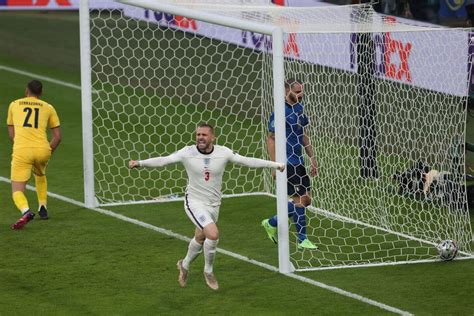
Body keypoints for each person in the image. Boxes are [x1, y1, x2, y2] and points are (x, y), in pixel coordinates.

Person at [129, 123, 284, 290]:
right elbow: (164, 161)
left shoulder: (223, 152)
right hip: (194, 202)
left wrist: (274, 165)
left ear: (212, 137)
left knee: (201, 237)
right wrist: (140, 162)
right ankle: (208, 271)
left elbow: (246, 161)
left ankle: (184, 264)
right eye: (198, 135)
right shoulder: (187, 152)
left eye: (204, 135)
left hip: (214, 204)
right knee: (213, 234)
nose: (200, 138)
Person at [261, 78, 318, 250]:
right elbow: (271, 138)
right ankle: (302, 240)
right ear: (287, 92)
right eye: (298, 91)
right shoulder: (279, 112)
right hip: (286, 162)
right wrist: (274, 164)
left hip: (299, 160)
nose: (301, 94)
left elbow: (303, 135)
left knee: (306, 200)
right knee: (300, 199)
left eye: (302, 91)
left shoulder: (299, 109)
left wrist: (312, 157)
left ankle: (272, 222)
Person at [8, 80, 61, 230]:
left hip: (22, 150)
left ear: (26, 91)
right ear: (41, 93)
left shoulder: (14, 104)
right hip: (42, 149)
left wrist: (22, 149)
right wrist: (48, 151)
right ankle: (42, 206)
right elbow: (57, 137)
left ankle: (26, 211)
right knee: (40, 173)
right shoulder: (48, 107)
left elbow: (12, 134)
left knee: (17, 190)